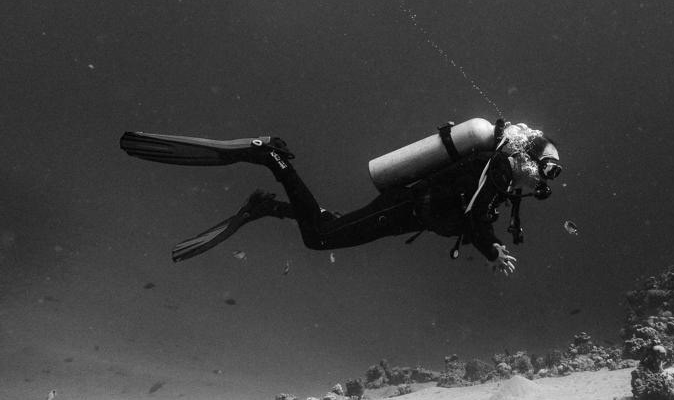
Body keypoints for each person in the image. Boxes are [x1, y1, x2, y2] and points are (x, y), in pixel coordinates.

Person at [119, 118, 561, 275]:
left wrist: (490, 242)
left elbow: (471, 211)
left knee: (331, 226)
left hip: (403, 214)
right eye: (548, 171)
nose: (544, 183)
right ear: (530, 159)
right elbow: (474, 214)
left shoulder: (501, 176)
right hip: (400, 209)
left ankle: (267, 207)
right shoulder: (498, 169)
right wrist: (492, 250)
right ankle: (271, 157)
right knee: (322, 238)